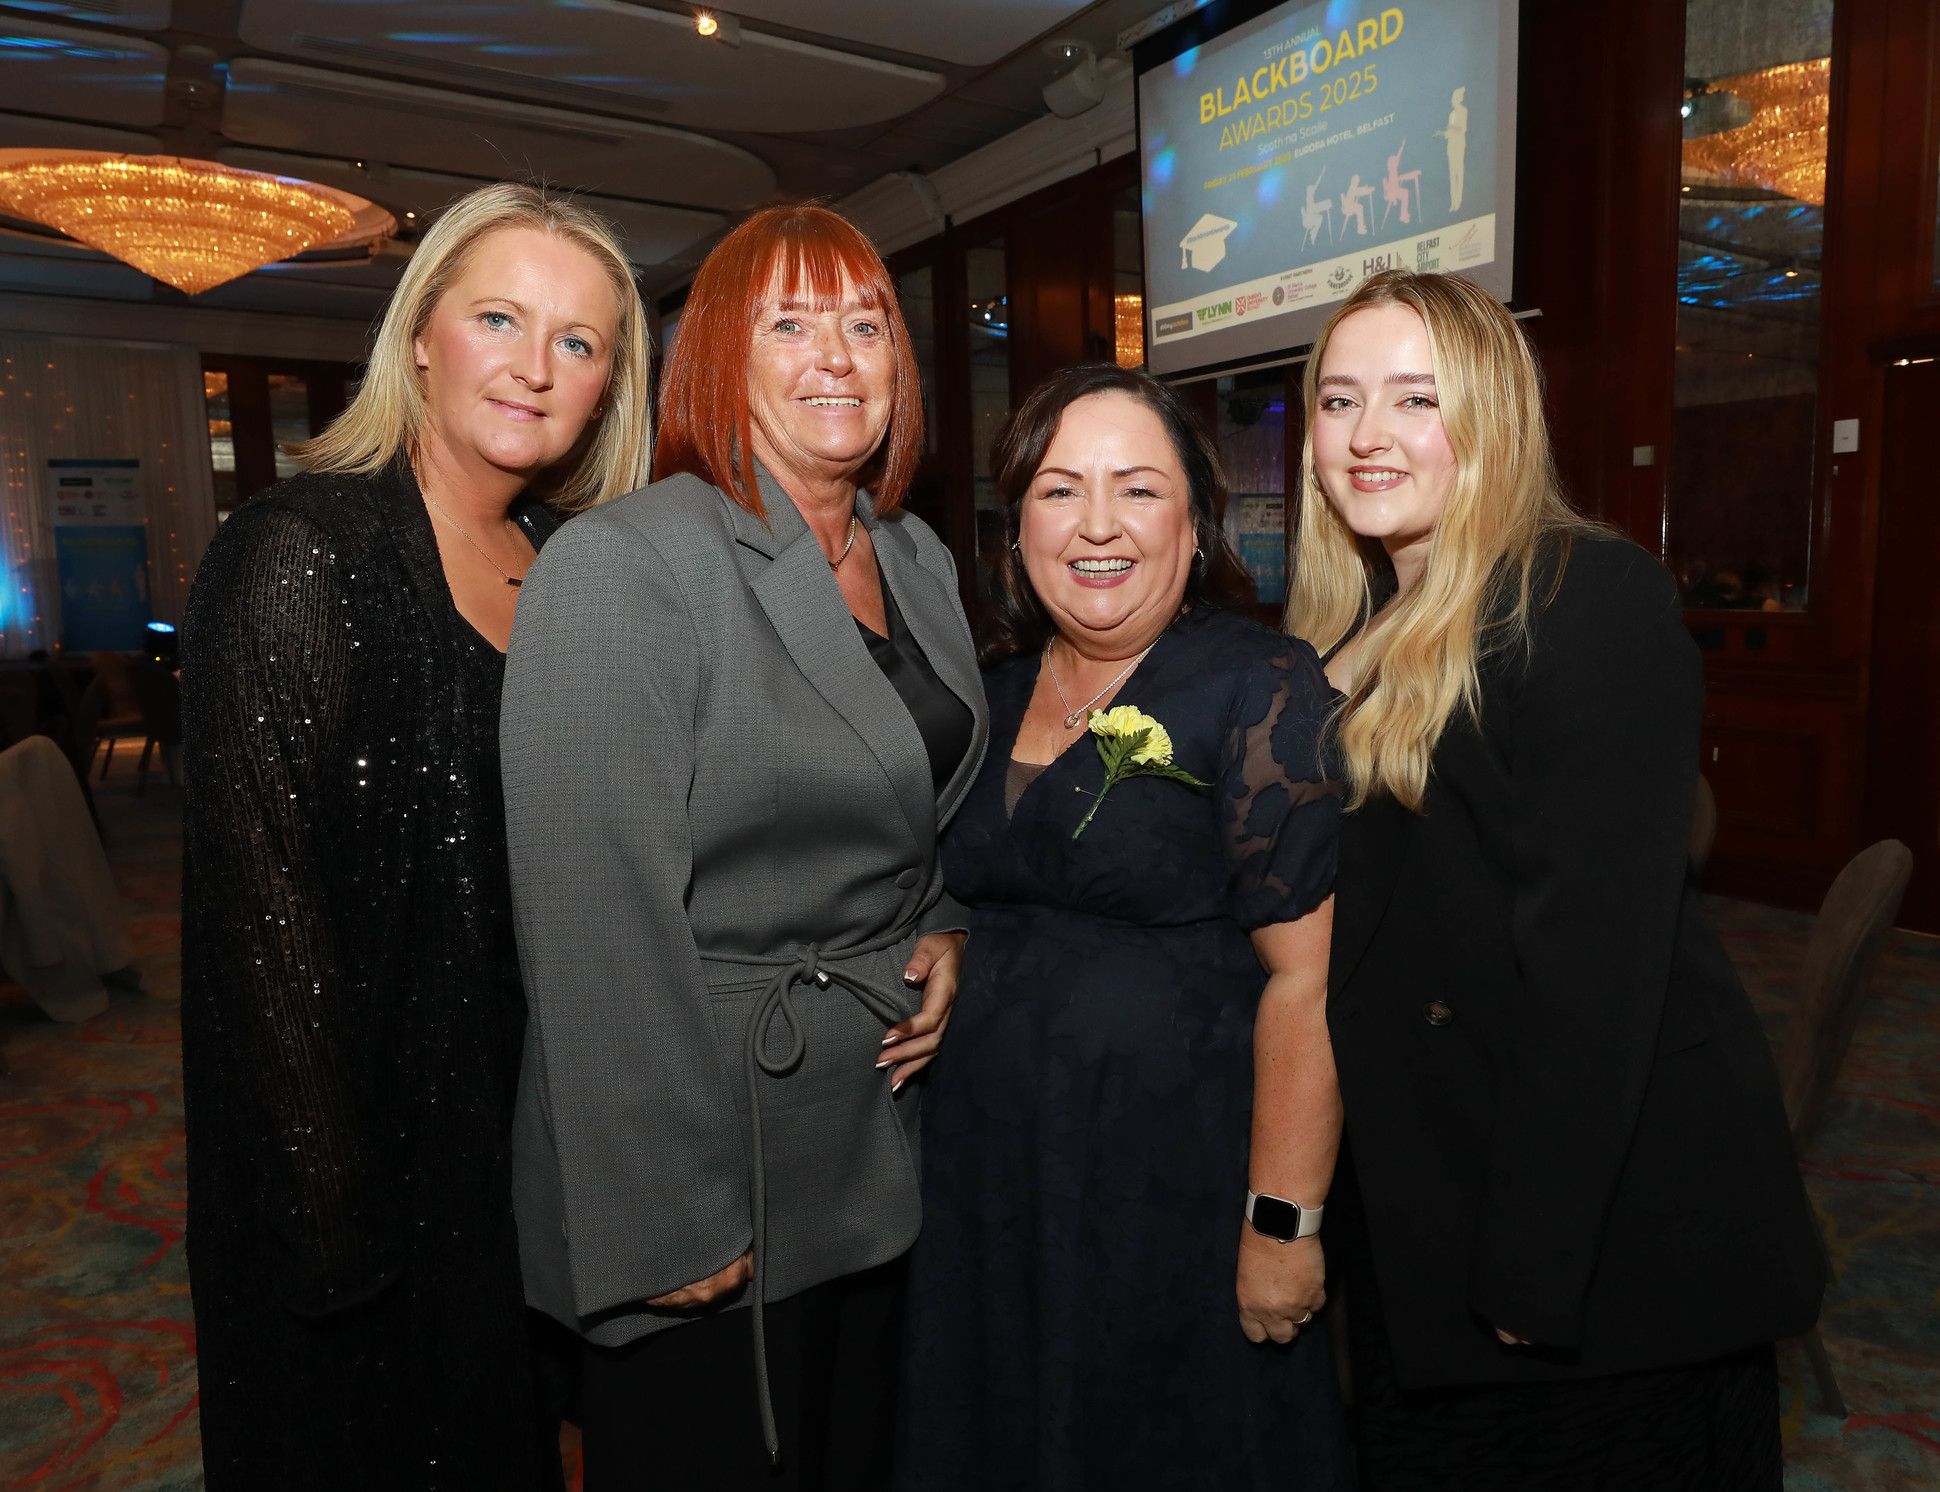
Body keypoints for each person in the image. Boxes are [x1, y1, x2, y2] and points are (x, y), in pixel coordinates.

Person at [1286, 269, 1825, 1488]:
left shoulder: (1581, 595)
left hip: (1580, 1237)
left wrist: (1536, 1266)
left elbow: (1592, 975)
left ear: (1489, 420)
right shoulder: (1350, 621)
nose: (1367, 435)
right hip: (1421, 1186)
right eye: (1339, 400)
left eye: (1415, 399)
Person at [500, 203, 987, 1491]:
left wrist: (939, 917)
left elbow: (905, 791)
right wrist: (665, 1210)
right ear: (718, 355)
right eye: (790, 321)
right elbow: (591, 918)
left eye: (865, 321)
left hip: (874, 1132)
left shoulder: (915, 556)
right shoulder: (625, 563)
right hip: (710, 1155)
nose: (837, 353)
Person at [180, 183, 652, 1489]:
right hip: (358, 1178)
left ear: (611, 383)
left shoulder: (581, 565)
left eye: (579, 340)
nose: (534, 365)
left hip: (530, 1152)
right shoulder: (298, 554)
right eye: (501, 316)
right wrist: (340, 1235)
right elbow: (258, 933)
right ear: (423, 333)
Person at [898, 364, 1351, 1490]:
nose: (1096, 525)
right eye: (1059, 491)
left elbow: (1308, 985)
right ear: (1016, 528)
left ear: (1193, 523)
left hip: (1175, 1192)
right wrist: (952, 935)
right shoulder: (989, 691)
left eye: (1136, 490)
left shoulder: (1261, 688)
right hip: (989, 1186)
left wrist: (1281, 1222)